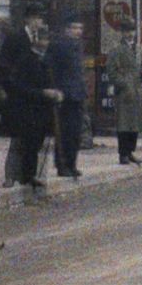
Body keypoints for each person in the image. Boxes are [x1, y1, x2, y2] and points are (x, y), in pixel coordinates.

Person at [1, 12, 60, 192]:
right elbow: (17, 81)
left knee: (34, 143)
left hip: (39, 106)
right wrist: (44, 93)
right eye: (42, 39)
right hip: (24, 105)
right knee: (20, 142)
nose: (46, 43)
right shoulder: (23, 54)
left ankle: (29, 175)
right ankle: (13, 175)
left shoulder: (44, 59)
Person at [47, 14, 88, 178]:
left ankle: (72, 163)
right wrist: (56, 90)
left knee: (75, 131)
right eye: (74, 28)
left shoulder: (77, 46)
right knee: (64, 131)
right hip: (64, 94)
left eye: (80, 28)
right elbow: (52, 70)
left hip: (77, 93)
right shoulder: (58, 45)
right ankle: (62, 164)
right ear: (66, 29)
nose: (78, 31)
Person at [105, 16, 142, 165]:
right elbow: (111, 71)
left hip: (137, 90)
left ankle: (130, 151)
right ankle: (123, 153)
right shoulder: (116, 49)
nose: (130, 34)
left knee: (135, 122)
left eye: (132, 30)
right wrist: (123, 83)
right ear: (121, 32)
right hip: (124, 91)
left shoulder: (138, 48)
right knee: (124, 123)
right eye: (127, 31)